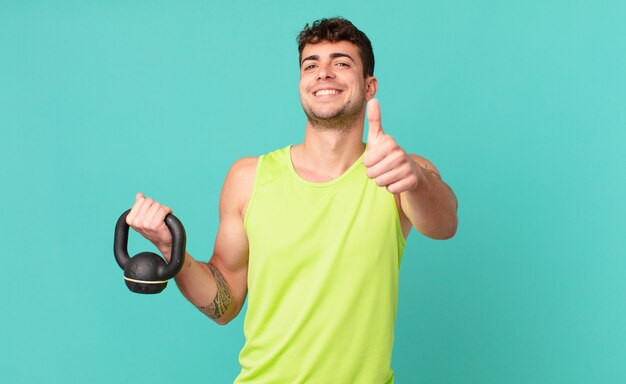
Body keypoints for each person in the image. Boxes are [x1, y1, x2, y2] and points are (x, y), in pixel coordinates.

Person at [126, 17, 458, 384]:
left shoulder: (401, 174)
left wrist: (413, 179)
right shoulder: (248, 178)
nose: (323, 73)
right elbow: (225, 304)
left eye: (341, 62)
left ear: (369, 86)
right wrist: (176, 253)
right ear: (301, 82)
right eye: (311, 65)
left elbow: (444, 225)